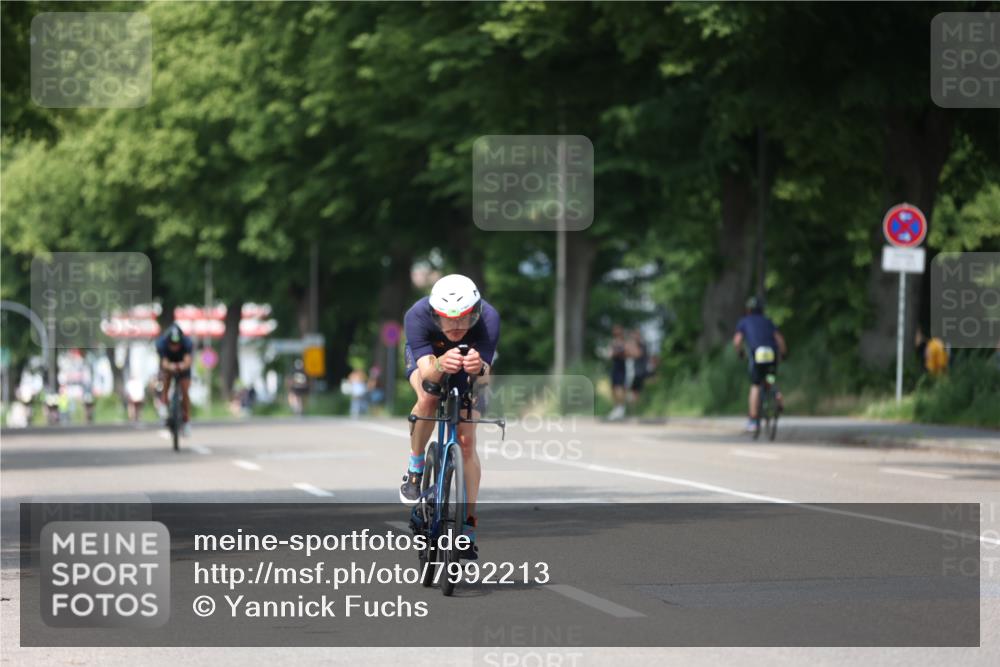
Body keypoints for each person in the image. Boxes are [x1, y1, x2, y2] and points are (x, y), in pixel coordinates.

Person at [399, 274, 500, 560]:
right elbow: (428, 374)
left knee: (467, 442)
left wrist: (479, 368)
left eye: (464, 318)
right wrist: (442, 364)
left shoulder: (489, 318)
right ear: (435, 315)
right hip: (431, 360)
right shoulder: (417, 315)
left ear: (475, 312)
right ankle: (416, 467)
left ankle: (468, 524)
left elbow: (485, 378)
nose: (456, 326)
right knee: (428, 397)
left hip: (468, 366)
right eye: (448, 319)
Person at [733, 296, 787, 433]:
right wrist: (783, 354)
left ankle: (753, 420)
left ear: (748, 310)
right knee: (770, 378)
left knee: (756, 385)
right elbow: (779, 339)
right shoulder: (768, 321)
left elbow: (737, 341)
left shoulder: (744, 321)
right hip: (771, 354)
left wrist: (740, 353)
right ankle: (777, 395)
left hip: (757, 354)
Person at [155, 322, 193, 436]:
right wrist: (170, 367)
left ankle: (186, 420)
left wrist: (182, 366)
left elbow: (187, 361)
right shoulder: (161, 344)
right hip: (169, 363)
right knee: (166, 379)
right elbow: (164, 362)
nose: (174, 346)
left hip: (183, 364)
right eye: (172, 344)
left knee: (185, 390)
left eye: (177, 344)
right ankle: (164, 403)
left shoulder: (187, 343)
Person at [607, 325, 627, 420]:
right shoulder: (613, 342)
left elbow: (626, 353)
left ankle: (621, 408)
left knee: (619, 388)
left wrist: (616, 352)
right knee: (614, 388)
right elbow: (610, 354)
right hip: (615, 367)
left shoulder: (624, 343)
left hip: (621, 367)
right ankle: (616, 408)